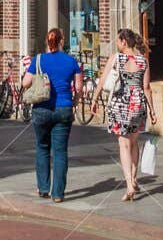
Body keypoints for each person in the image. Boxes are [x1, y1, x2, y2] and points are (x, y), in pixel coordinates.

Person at [93, 28, 155, 201]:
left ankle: (128, 184)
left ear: (124, 42)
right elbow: (147, 88)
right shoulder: (143, 61)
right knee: (134, 142)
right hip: (138, 105)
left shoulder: (116, 58)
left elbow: (103, 81)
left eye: (118, 41)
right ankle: (134, 178)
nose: (117, 44)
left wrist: (94, 100)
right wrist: (153, 110)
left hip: (120, 105)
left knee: (123, 145)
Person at [22, 28, 82, 204]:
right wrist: (76, 102)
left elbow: (26, 82)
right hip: (63, 109)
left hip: (41, 109)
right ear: (62, 41)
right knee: (60, 151)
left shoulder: (38, 60)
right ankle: (58, 193)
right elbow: (78, 88)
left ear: (48, 42)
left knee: (42, 147)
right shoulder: (72, 61)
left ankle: (43, 188)